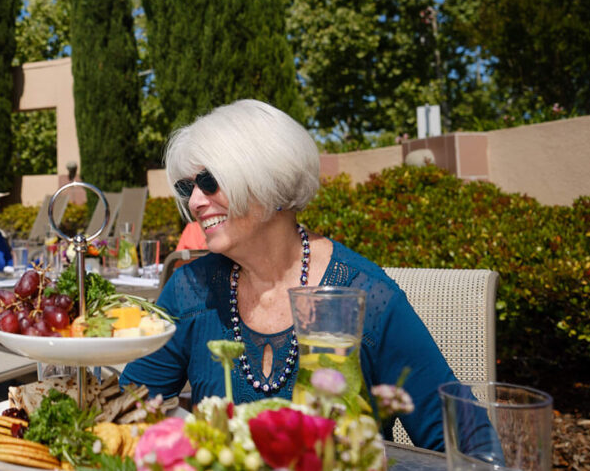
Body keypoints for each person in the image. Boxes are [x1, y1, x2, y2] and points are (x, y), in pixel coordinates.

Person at [120, 99, 462, 451]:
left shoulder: (364, 297)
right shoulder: (190, 289)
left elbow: (463, 444)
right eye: (186, 188)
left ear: (271, 179)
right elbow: (127, 412)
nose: (194, 202)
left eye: (209, 181)